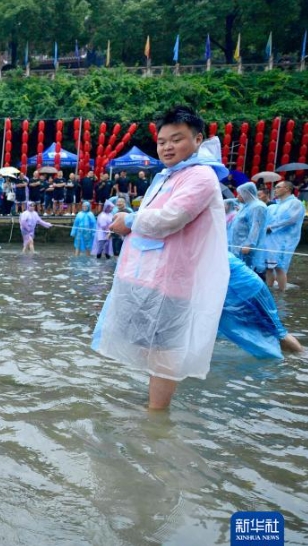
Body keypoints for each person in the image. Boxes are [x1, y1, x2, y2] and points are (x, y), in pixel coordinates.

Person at [93, 105, 229, 410]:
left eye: (176, 139)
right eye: (162, 141)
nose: (167, 147)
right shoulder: (168, 176)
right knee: (151, 348)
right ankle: (153, 408)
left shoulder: (200, 177)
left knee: (165, 351)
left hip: (172, 281)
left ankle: (157, 418)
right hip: (148, 276)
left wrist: (129, 221)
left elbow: (170, 218)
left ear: (198, 139)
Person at [219, 252, 302, 359]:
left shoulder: (208, 249)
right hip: (234, 293)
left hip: (250, 290)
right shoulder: (208, 248)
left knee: (278, 333)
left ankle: (301, 357)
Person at [261, 181, 304, 292]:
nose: (275, 189)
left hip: (285, 240)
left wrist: (272, 227)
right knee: (269, 266)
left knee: (279, 266)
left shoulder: (295, 203)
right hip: (270, 239)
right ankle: (269, 290)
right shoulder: (274, 206)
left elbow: (291, 220)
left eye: (278, 187)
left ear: (287, 189)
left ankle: (281, 293)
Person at [227, 182, 267, 273]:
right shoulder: (245, 206)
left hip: (245, 246)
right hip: (237, 243)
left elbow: (256, 227)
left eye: (239, 194)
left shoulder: (257, 207)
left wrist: (249, 244)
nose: (237, 197)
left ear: (247, 193)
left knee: (246, 270)